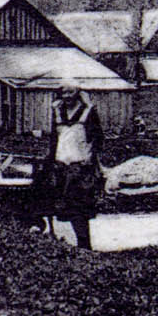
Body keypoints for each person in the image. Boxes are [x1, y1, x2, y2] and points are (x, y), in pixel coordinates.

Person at [35, 81, 105, 249]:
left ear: (78, 94)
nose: (67, 96)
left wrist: (91, 158)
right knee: (57, 202)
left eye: (70, 93)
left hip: (80, 167)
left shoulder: (88, 112)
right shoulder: (58, 111)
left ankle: (84, 246)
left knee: (79, 207)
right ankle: (58, 240)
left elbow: (98, 138)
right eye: (64, 93)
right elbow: (54, 139)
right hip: (61, 165)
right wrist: (50, 160)